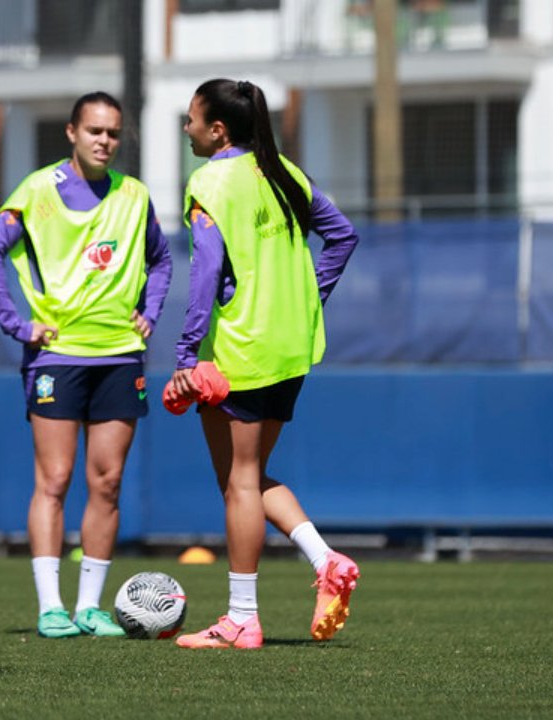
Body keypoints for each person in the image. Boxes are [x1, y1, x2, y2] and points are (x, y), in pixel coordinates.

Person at [170, 79, 361, 650]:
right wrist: (306, 299)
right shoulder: (286, 173)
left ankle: (242, 619)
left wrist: (185, 354)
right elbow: (342, 236)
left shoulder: (209, 182)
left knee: (239, 483)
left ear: (217, 130)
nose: (187, 128)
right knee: (247, 477)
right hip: (291, 346)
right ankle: (325, 561)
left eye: (191, 119)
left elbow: (205, 274)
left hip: (242, 349)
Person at [0, 92, 172, 639]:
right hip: (57, 356)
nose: (104, 141)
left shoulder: (135, 195)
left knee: (107, 481)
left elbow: (161, 260)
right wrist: (17, 325)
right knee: (55, 478)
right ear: (71, 133)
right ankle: (50, 608)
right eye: (94, 131)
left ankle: (89, 607)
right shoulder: (37, 190)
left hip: (119, 355)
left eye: (113, 133)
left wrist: (151, 311)